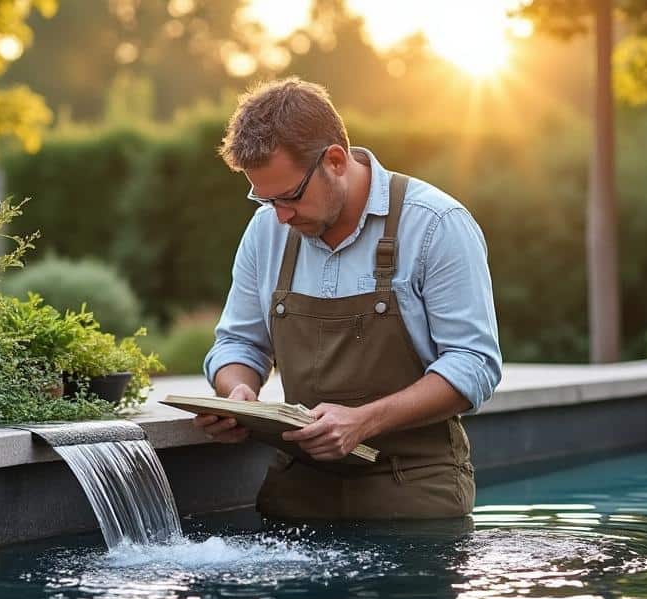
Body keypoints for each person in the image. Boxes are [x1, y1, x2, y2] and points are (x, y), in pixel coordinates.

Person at [197, 77, 501, 520]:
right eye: (264, 200)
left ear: (335, 161)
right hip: (298, 492)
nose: (280, 216)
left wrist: (365, 421)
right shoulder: (267, 230)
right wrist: (235, 392)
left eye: (289, 197)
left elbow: (474, 364)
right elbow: (238, 344)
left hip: (414, 491)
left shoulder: (437, 224)